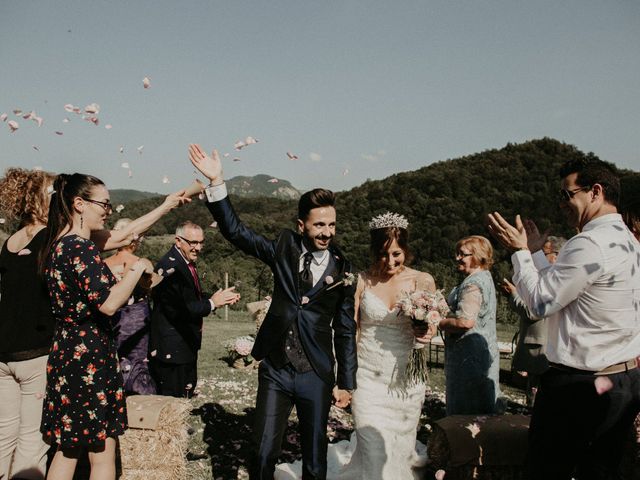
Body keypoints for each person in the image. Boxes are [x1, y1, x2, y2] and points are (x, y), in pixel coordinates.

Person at [189, 144, 357, 480]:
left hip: (316, 372)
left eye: (332, 225)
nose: (326, 232)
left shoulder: (344, 269)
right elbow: (236, 232)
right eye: (319, 225)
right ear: (301, 225)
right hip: (276, 370)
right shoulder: (283, 249)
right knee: (263, 452)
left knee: (314, 458)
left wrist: (345, 382)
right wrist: (217, 181)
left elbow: (346, 328)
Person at [487, 158, 640, 479]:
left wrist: (519, 253)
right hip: (623, 379)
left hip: (579, 387)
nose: (561, 204)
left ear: (595, 192)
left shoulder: (588, 243)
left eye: (567, 195)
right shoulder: (627, 240)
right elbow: (565, 288)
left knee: (546, 470)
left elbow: (541, 302)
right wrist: (537, 253)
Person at [37, 173, 186, 480]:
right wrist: (138, 267)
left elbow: (126, 233)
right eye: (103, 204)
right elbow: (107, 303)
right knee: (100, 450)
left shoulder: (60, 244)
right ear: (79, 204)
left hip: (68, 353)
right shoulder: (81, 248)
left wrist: (166, 206)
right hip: (88, 357)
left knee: (70, 449)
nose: (108, 210)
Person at [0, 168, 56, 480]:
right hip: (34, 354)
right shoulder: (51, 238)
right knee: (32, 441)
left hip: (4, 351)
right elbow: (114, 239)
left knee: (3, 436)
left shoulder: (10, 242)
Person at [149, 220, 240, 397]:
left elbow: (189, 297)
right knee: (172, 396)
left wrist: (217, 298)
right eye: (193, 242)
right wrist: (213, 303)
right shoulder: (170, 268)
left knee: (185, 391)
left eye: (201, 242)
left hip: (184, 343)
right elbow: (181, 309)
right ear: (178, 241)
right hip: (173, 346)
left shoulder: (184, 261)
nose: (198, 247)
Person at [438, 235, 503, 415]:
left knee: (467, 409)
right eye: (457, 254)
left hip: (468, 358)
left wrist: (437, 321)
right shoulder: (484, 277)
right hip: (483, 351)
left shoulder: (473, 284)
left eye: (462, 254)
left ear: (478, 256)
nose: (457, 258)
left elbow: (465, 321)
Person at [502, 235, 566, 407]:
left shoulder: (557, 283)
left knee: (537, 402)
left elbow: (532, 313)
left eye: (543, 254)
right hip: (537, 349)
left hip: (541, 352)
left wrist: (514, 294)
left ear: (557, 255)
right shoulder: (544, 280)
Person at [104, 219, 156, 395]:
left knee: (113, 361)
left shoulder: (103, 264)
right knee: (138, 363)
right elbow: (151, 282)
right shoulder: (142, 263)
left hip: (111, 319)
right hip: (136, 321)